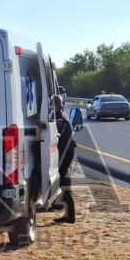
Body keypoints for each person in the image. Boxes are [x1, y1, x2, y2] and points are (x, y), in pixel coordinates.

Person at [53, 95, 76, 223]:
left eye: (53, 105)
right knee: (64, 183)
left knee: (64, 184)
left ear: (58, 106)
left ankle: (70, 215)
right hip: (65, 152)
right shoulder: (61, 116)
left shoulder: (60, 120)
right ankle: (69, 214)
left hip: (65, 153)